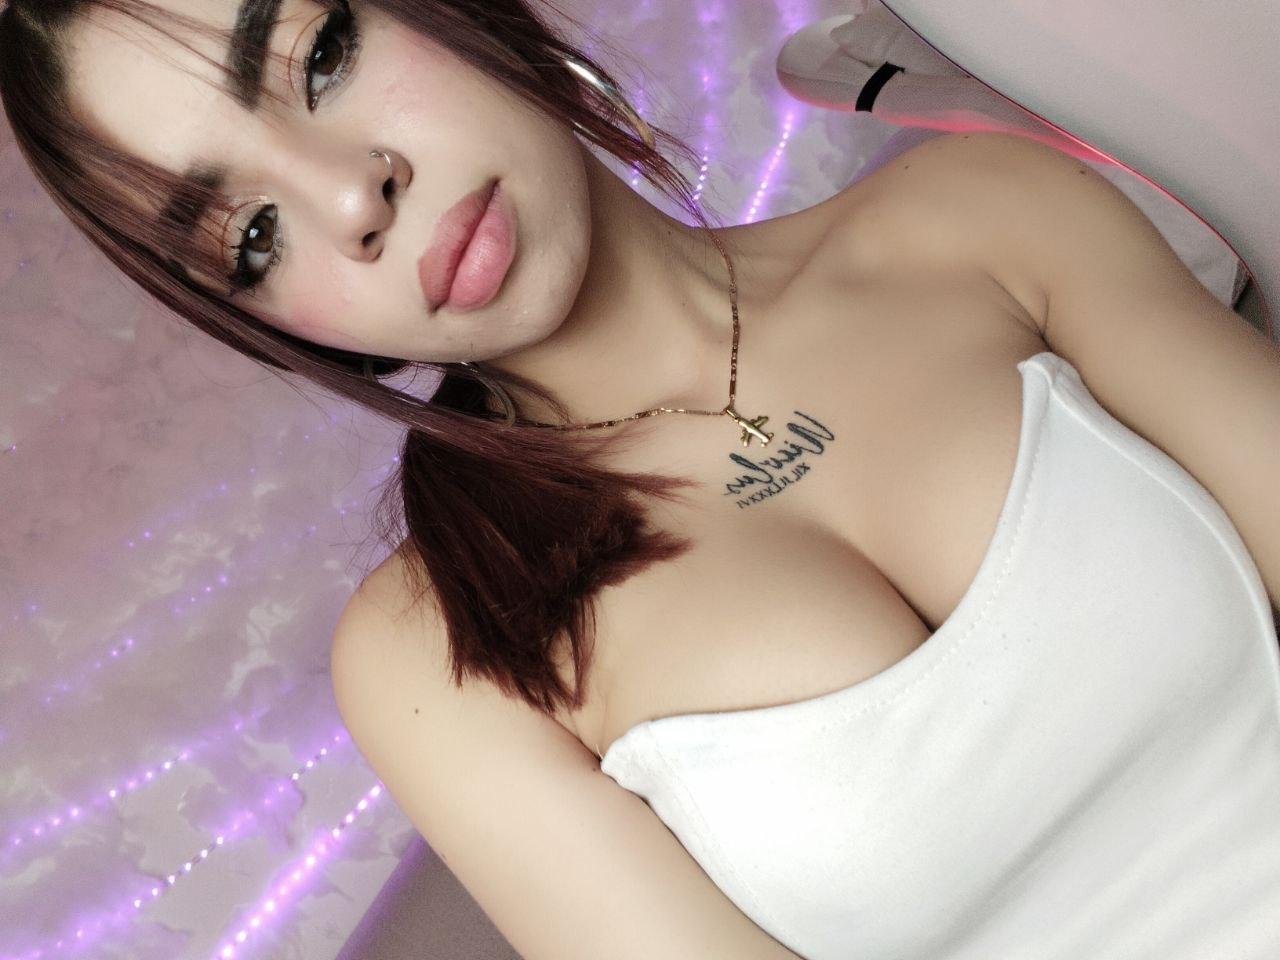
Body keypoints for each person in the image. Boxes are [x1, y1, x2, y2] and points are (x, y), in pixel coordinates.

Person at [4, 3, 1278, 960]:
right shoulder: (438, 654)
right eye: (251, 236)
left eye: (320, 55)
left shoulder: (982, 216)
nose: (351, 195)